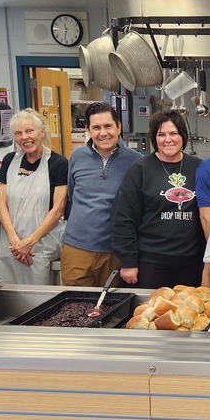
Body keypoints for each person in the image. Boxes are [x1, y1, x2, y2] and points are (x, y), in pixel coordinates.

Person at [111, 109, 205, 289]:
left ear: (183, 136)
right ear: (154, 138)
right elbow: (123, 218)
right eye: (161, 134)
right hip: (150, 263)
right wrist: (128, 261)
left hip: (191, 263)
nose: (168, 139)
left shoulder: (199, 167)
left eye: (173, 133)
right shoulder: (140, 169)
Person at [61, 102, 142, 287]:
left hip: (115, 252)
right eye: (96, 127)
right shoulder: (76, 156)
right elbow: (73, 197)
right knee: (74, 308)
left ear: (119, 127)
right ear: (88, 130)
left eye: (108, 126)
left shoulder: (137, 162)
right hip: (77, 250)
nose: (103, 133)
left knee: (113, 310)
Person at [0, 108, 68, 284]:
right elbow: (2, 204)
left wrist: (29, 242)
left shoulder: (58, 163)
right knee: (11, 297)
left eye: (29, 131)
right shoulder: (9, 161)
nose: (24, 137)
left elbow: (58, 209)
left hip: (42, 241)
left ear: (42, 132)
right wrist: (15, 242)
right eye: (18, 133)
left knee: (39, 297)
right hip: (11, 243)